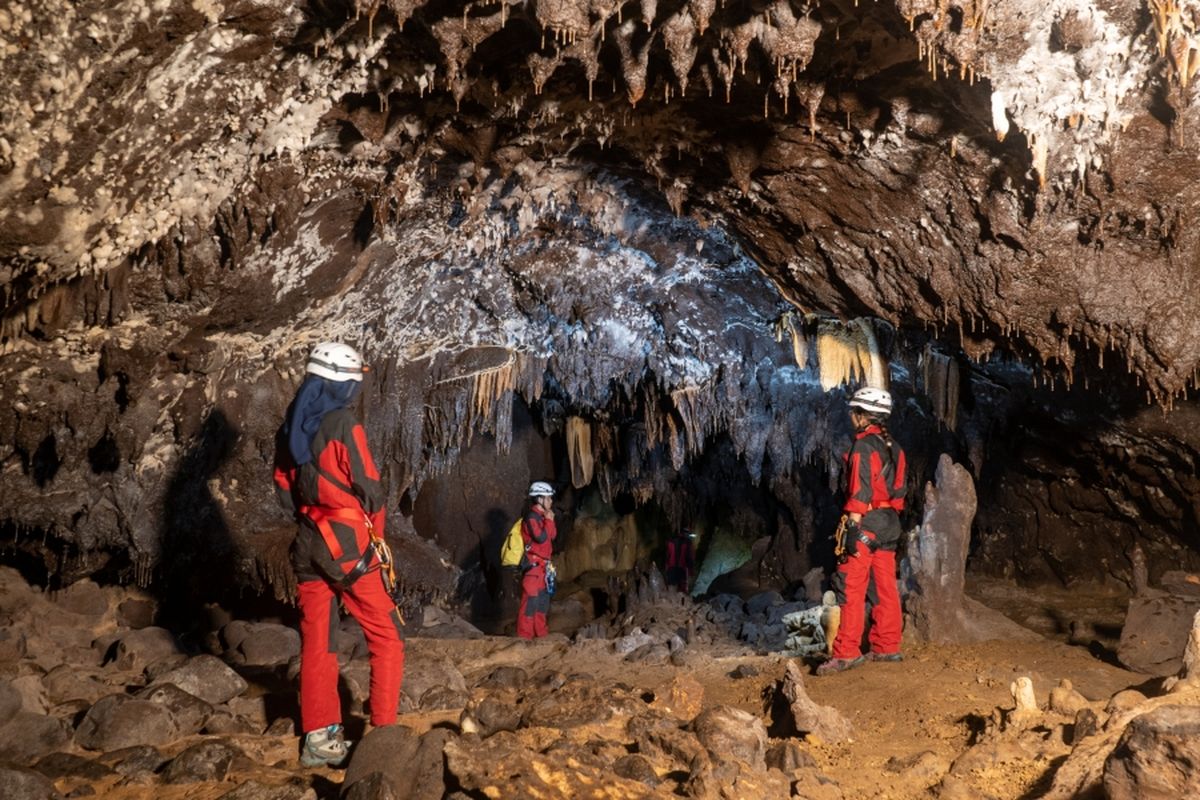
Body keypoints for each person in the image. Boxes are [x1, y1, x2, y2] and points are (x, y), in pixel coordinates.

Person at [273, 342, 405, 766]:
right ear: (341, 385)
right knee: (388, 637)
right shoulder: (346, 424)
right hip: (346, 546)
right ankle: (384, 735)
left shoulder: (290, 427)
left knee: (320, 642)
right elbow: (371, 487)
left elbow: (282, 492)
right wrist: (373, 542)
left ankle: (319, 739)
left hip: (307, 542)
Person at [817, 386, 907, 675]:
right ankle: (887, 646)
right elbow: (900, 491)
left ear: (862, 415)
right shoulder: (896, 447)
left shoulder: (863, 446)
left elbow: (860, 490)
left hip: (866, 520)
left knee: (850, 586)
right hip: (890, 522)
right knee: (885, 586)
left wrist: (853, 527)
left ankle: (846, 653)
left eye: (854, 411)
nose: (850, 416)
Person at [517, 481, 558, 639]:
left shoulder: (543, 517)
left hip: (544, 569)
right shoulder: (531, 517)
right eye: (548, 498)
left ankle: (541, 635)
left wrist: (550, 520)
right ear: (539, 499)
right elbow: (540, 538)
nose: (551, 501)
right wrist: (548, 521)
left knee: (542, 603)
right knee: (530, 604)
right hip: (533, 568)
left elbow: (552, 536)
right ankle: (524, 638)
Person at [664, 529, 697, 593]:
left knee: (671, 586)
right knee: (681, 589)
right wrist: (691, 569)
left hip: (671, 567)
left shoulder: (670, 541)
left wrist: (666, 566)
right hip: (682, 567)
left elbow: (667, 555)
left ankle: (671, 600)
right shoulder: (687, 543)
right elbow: (690, 557)